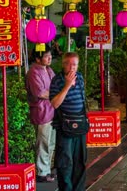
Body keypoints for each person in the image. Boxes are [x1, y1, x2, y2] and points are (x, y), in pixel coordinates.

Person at [49, 52, 88, 191]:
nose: (72, 68)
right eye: (69, 64)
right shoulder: (57, 81)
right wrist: (67, 85)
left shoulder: (80, 77)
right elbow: (54, 104)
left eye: (74, 65)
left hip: (80, 124)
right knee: (65, 162)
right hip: (64, 126)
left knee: (80, 160)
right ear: (63, 64)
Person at [26, 48, 56, 183]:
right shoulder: (33, 72)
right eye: (46, 56)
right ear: (38, 59)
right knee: (43, 143)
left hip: (52, 110)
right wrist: (57, 94)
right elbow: (40, 92)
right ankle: (42, 172)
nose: (49, 58)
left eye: (50, 55)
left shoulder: (48, 70)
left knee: (50, 142)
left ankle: (46, 169)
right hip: (42, 112)